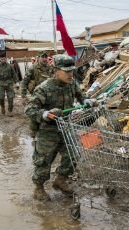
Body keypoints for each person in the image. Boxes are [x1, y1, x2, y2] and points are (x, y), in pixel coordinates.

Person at [25, 54, 95, 201]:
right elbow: (29, 109)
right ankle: (39, 188)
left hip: (65, 127)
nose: (71, 74)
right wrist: (45, 114)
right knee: (44, 161)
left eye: (72, 71)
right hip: (47, 131)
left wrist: (86, 100)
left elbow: (81, 96)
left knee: (73, 154)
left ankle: (60, 180)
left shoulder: (72, 84)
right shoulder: (43, 89)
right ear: (56, 71)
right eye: (67, 71)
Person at [21, 51, 54, 137]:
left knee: (48, 113)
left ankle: (46, 133)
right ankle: (34, 132)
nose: (44, 59)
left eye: (45, 57)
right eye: (42, 57)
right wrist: (23, 96)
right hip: (36, 96)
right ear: (38, 58)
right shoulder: (33, 68)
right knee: (35, 113)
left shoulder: (50, 68)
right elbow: (24, 82)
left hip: (48, 95)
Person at [0, 52, 18, 117]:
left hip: (9, 83)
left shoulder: (10, 66)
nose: (3, 60)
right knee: (0, 97)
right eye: (2, 59)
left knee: (11, 97)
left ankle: (10, 111)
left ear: (6, 59)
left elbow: (14, 74)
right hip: (0, 83)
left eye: (4, 59)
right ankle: (2, 107)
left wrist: (17, 82)